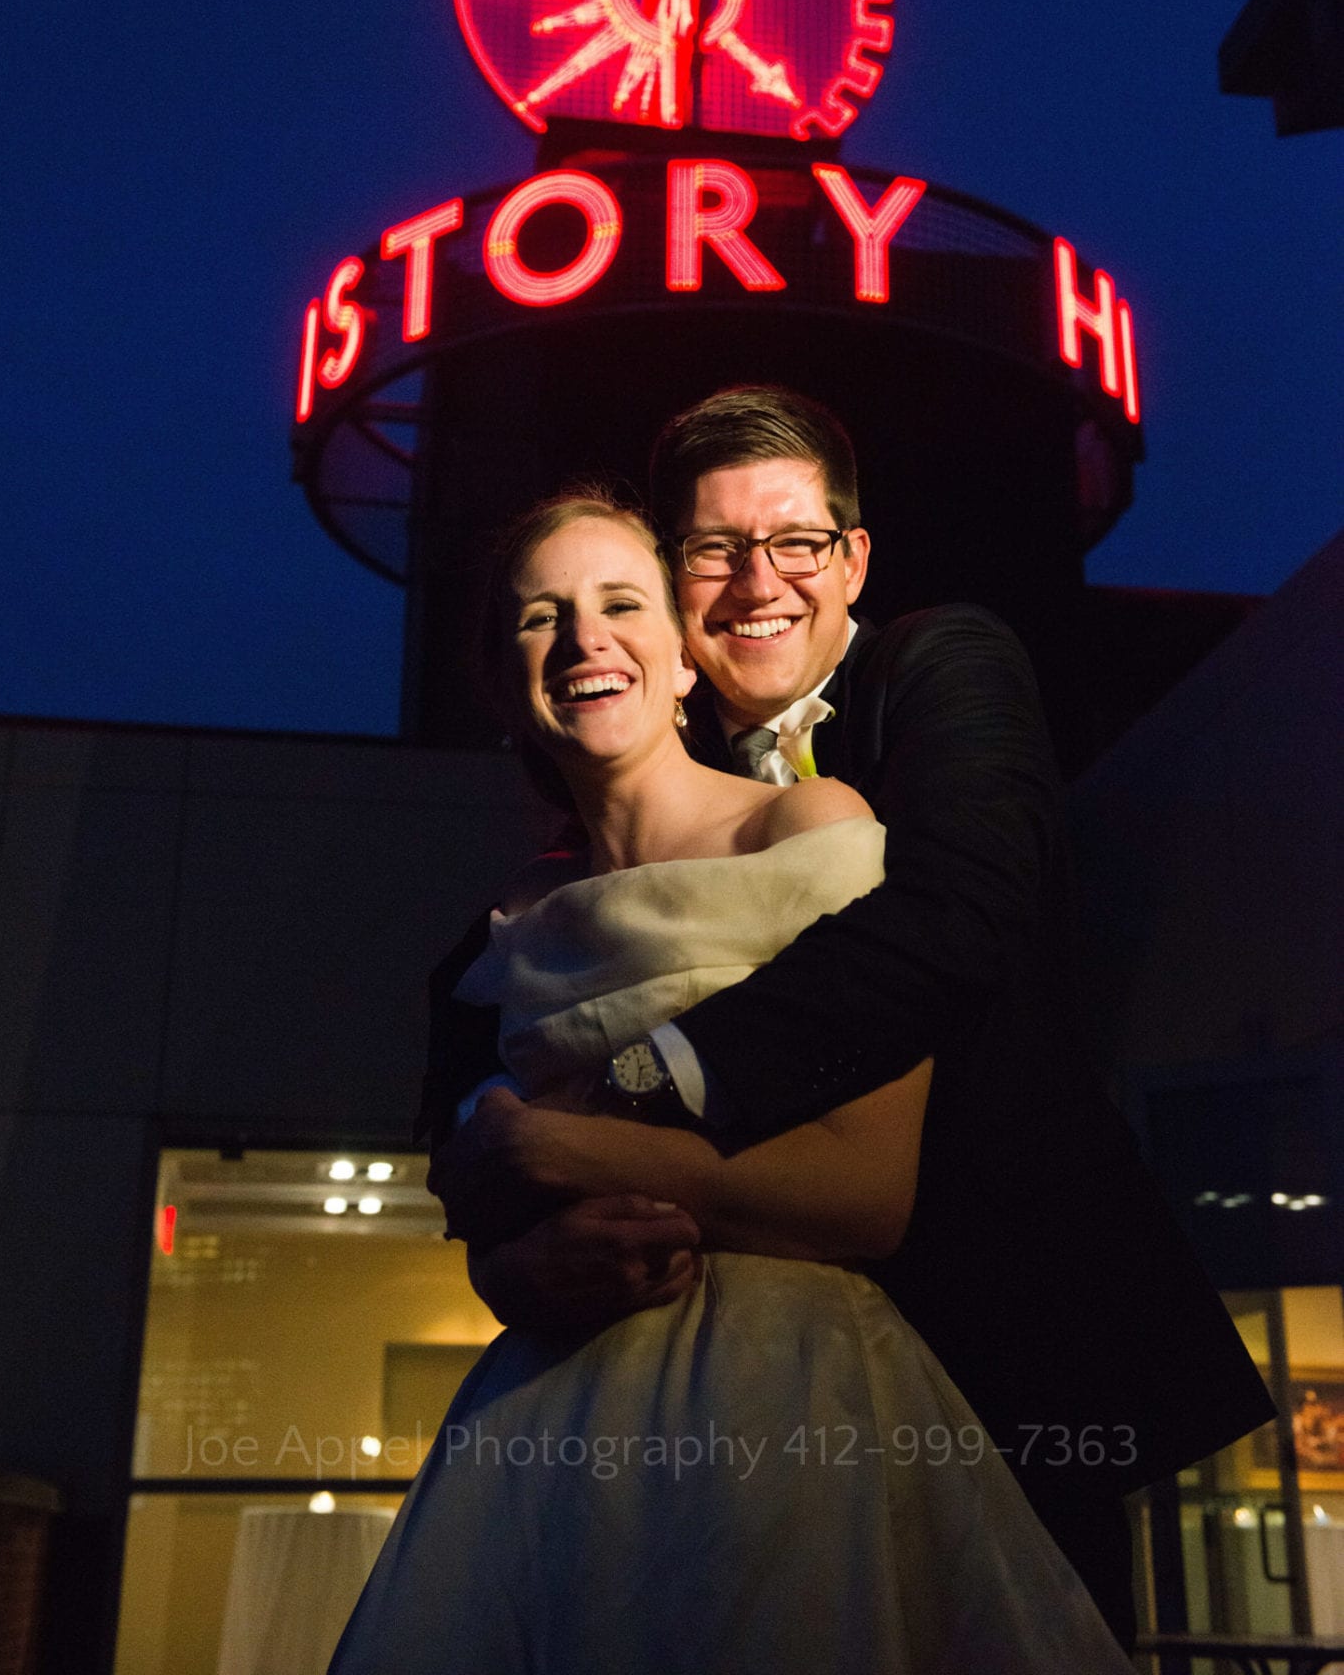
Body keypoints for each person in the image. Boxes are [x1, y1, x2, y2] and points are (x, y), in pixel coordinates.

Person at [423, 386, 1276, 1653]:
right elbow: (481, 1083)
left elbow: (955, 918)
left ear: (852, 557)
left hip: (998, 1319)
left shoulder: (942, 663)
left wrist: (634, 1092)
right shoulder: (628, 784)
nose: (757, 578)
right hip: (671, 1382)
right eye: (713, 549)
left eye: (796, 540)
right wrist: (505, 1246)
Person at [332, 493, 1135, 1674]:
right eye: (539, 617)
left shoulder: (800, 826)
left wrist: (564, 1148)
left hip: (789, 1401)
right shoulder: (492, 942)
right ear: (504, 684)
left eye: (619, 604)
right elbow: (487, 1220)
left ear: (677, 658)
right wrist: (514, 1267)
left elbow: (863, 1194)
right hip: (553, 1421)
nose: (583, 639)